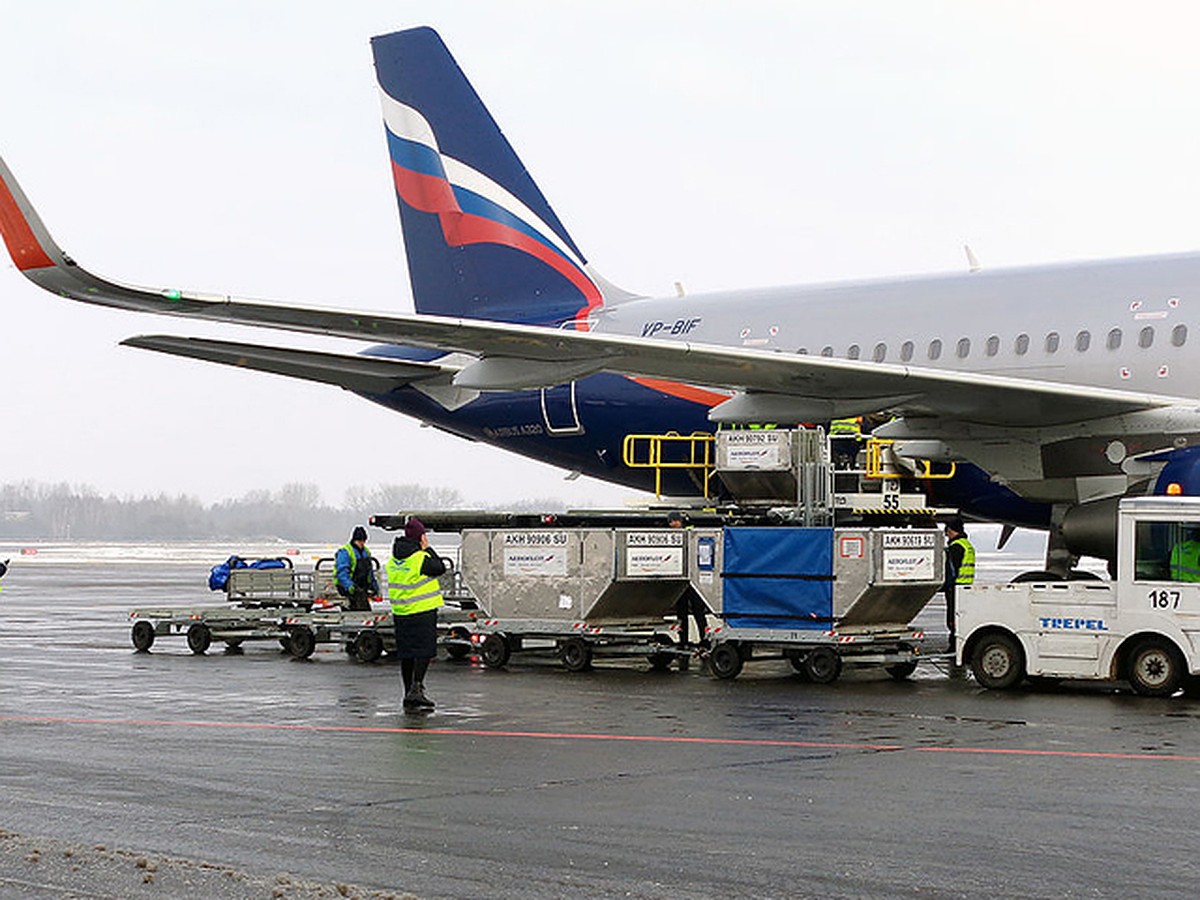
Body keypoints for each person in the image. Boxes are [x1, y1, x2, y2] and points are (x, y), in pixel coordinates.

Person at [387, 518, 446, 711]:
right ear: (420, 537)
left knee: (407, 654)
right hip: (422, 611)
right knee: (424, 651)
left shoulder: (394, 559)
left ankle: (408, 693)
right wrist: (427, 548)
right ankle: (417, 689)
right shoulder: (420, 559)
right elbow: (440, 567)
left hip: (401, 612)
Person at [668, 511, 709, 650]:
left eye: (675, 521)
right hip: (680, 580)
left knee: (698, 611)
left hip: (692, 580)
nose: (673, 524)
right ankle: (683, 640)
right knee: (682, 613)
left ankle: (704, 640)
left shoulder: (690, 532)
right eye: (671, 522)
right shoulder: (672, 536)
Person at [943, 517, 976, 650]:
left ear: (951, 530)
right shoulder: (967, 545)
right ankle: (960, 643)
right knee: (961, 616)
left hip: (955, 587)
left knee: (953, 618)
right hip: (966, 586)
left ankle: (954, 645)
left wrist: (944, 585)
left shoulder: (956, 547)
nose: (946, 534)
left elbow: (951, 570)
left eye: (946, 530)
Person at [334, 526, 379, 611]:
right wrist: (349, 586)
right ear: (354, 540)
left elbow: (369, 571)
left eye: (363, 541)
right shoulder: (345, 552)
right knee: (361, 604)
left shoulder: (366, 552)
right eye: (359, 541)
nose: (362, 543)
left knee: (361, 597)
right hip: (348, 586)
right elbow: (342, 572)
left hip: (362, 586)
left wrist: (374, 585)